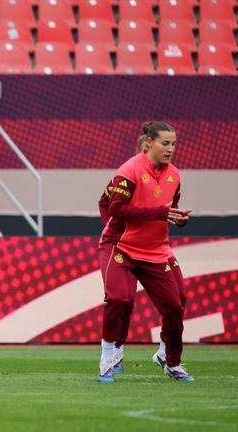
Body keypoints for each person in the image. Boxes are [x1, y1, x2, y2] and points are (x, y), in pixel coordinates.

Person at [97, 121, 193, 383]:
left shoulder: (174, 174)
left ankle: (171, 361)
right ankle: (109, 357)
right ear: (149, 143)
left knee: (175, 306)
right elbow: (115, 208)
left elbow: (169, 209)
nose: (171, 148)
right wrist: (161, 213)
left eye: (173, 143)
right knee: (119, 299)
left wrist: (178, 218)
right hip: (121, 247)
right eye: (165, 143)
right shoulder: (130, 170)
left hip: (155, 252)